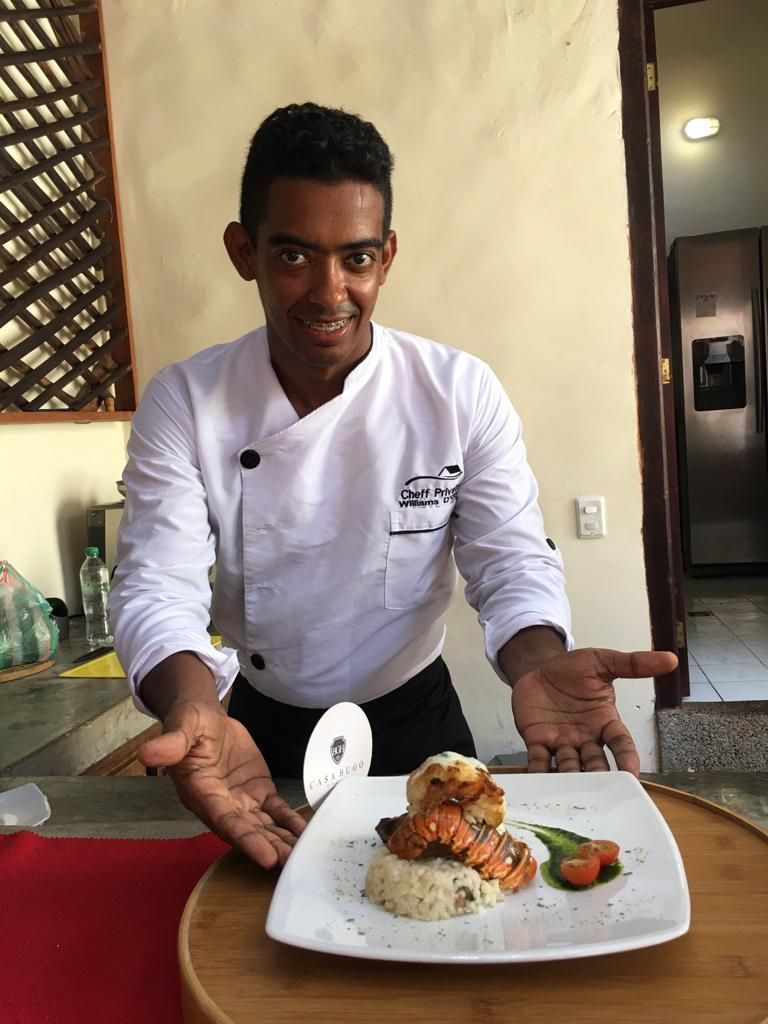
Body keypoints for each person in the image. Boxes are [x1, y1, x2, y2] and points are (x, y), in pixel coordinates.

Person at [109, 102, 677, 869]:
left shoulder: (457, 391)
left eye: (357, 257)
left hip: (418, 722)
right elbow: (155, 582)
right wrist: (191, 706)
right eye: (294, 255)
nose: (329, 291)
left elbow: (508, 556)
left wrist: (537, 663)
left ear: (388, 256)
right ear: (244, 252)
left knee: (457, 917)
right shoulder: (186, 401)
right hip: (250, 735)